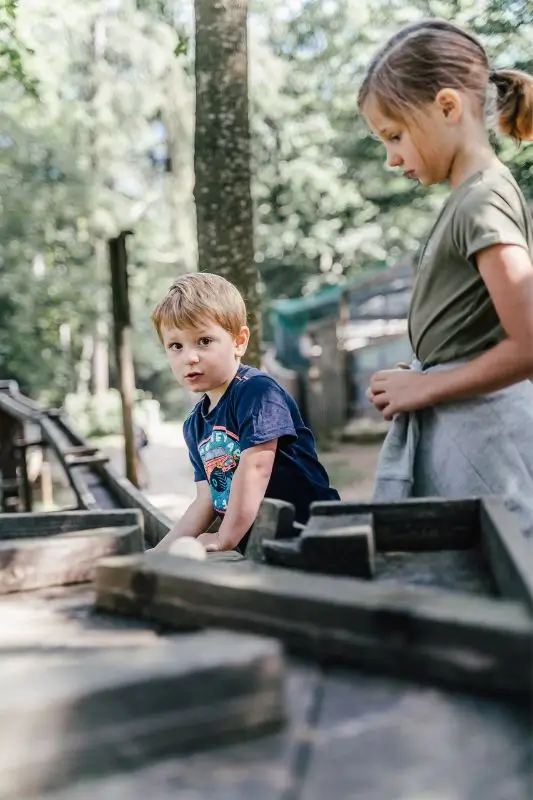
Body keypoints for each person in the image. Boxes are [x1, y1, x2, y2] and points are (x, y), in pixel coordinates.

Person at [358, 19, 533, 536]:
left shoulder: (483, 200)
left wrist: (425, 388)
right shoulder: (471, 197)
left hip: (486, 432)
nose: (391, 158)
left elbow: (529, 345)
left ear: (448, 108)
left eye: (394, 136)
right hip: (467, 425)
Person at [150, 272, 340, 554]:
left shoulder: (257, 392)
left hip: (314, 533)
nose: (190, 357)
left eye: (204, 341)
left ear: (239, 341)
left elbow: (256, 467)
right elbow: (207, 499)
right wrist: (161, 551)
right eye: (176, 346)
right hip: (264, 546)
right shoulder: (195, 425)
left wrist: (224, 538)